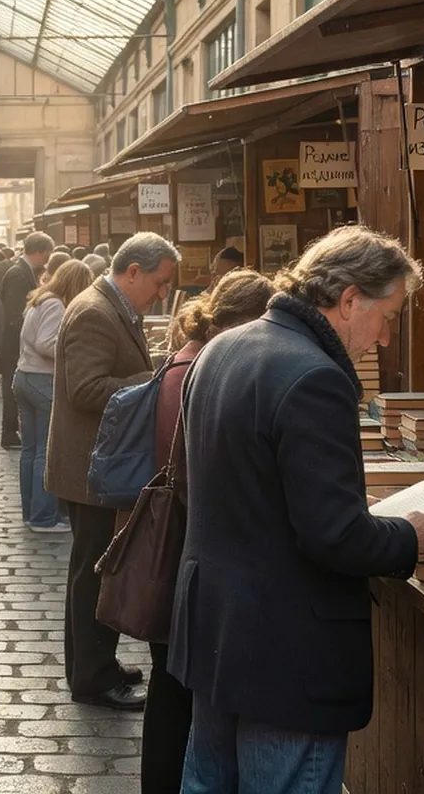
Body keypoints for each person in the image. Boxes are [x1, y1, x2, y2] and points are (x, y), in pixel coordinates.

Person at [170, 226, 424, 793]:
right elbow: (335, 536)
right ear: (347, 300)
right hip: (284, 648)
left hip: (217, 629)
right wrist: (411, 538)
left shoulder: (223, 347)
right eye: (387, 315)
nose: (387, 336)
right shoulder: (316, 375)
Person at [140, 268, 274, 794]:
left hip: (177, 544)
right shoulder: (203, 367)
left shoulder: (191, 358)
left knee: (174, 687)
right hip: (183, 548)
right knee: (177, 691)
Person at [47, 232, 180, 711]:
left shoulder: (110, 305)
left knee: (93, 568)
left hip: (98, 463)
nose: (163, 293)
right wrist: (156, 378)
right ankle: (91, 675)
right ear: (133, 272)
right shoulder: (94, 311)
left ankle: (94, 663)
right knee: (93, 573)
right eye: (160, 283)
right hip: (92, 467)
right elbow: (86, 389)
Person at [14, 260, 93, 534]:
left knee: (30, 450)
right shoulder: (55, 304)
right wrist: (75, 347)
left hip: (25, 377)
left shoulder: (39, 299)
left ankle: (31, 512)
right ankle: (43, 517)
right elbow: (46, 343)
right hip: (41, 380)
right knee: (44, 453)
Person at [0, 232, 54, 450]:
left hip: (18, 344)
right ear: (40, 252)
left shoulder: (23, 272)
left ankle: (12, 432)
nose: (48, 259)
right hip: (14, 345)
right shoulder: (18, 274)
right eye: (47, 254)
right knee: (10, 388)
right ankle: (9, 432)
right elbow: (14, 314)